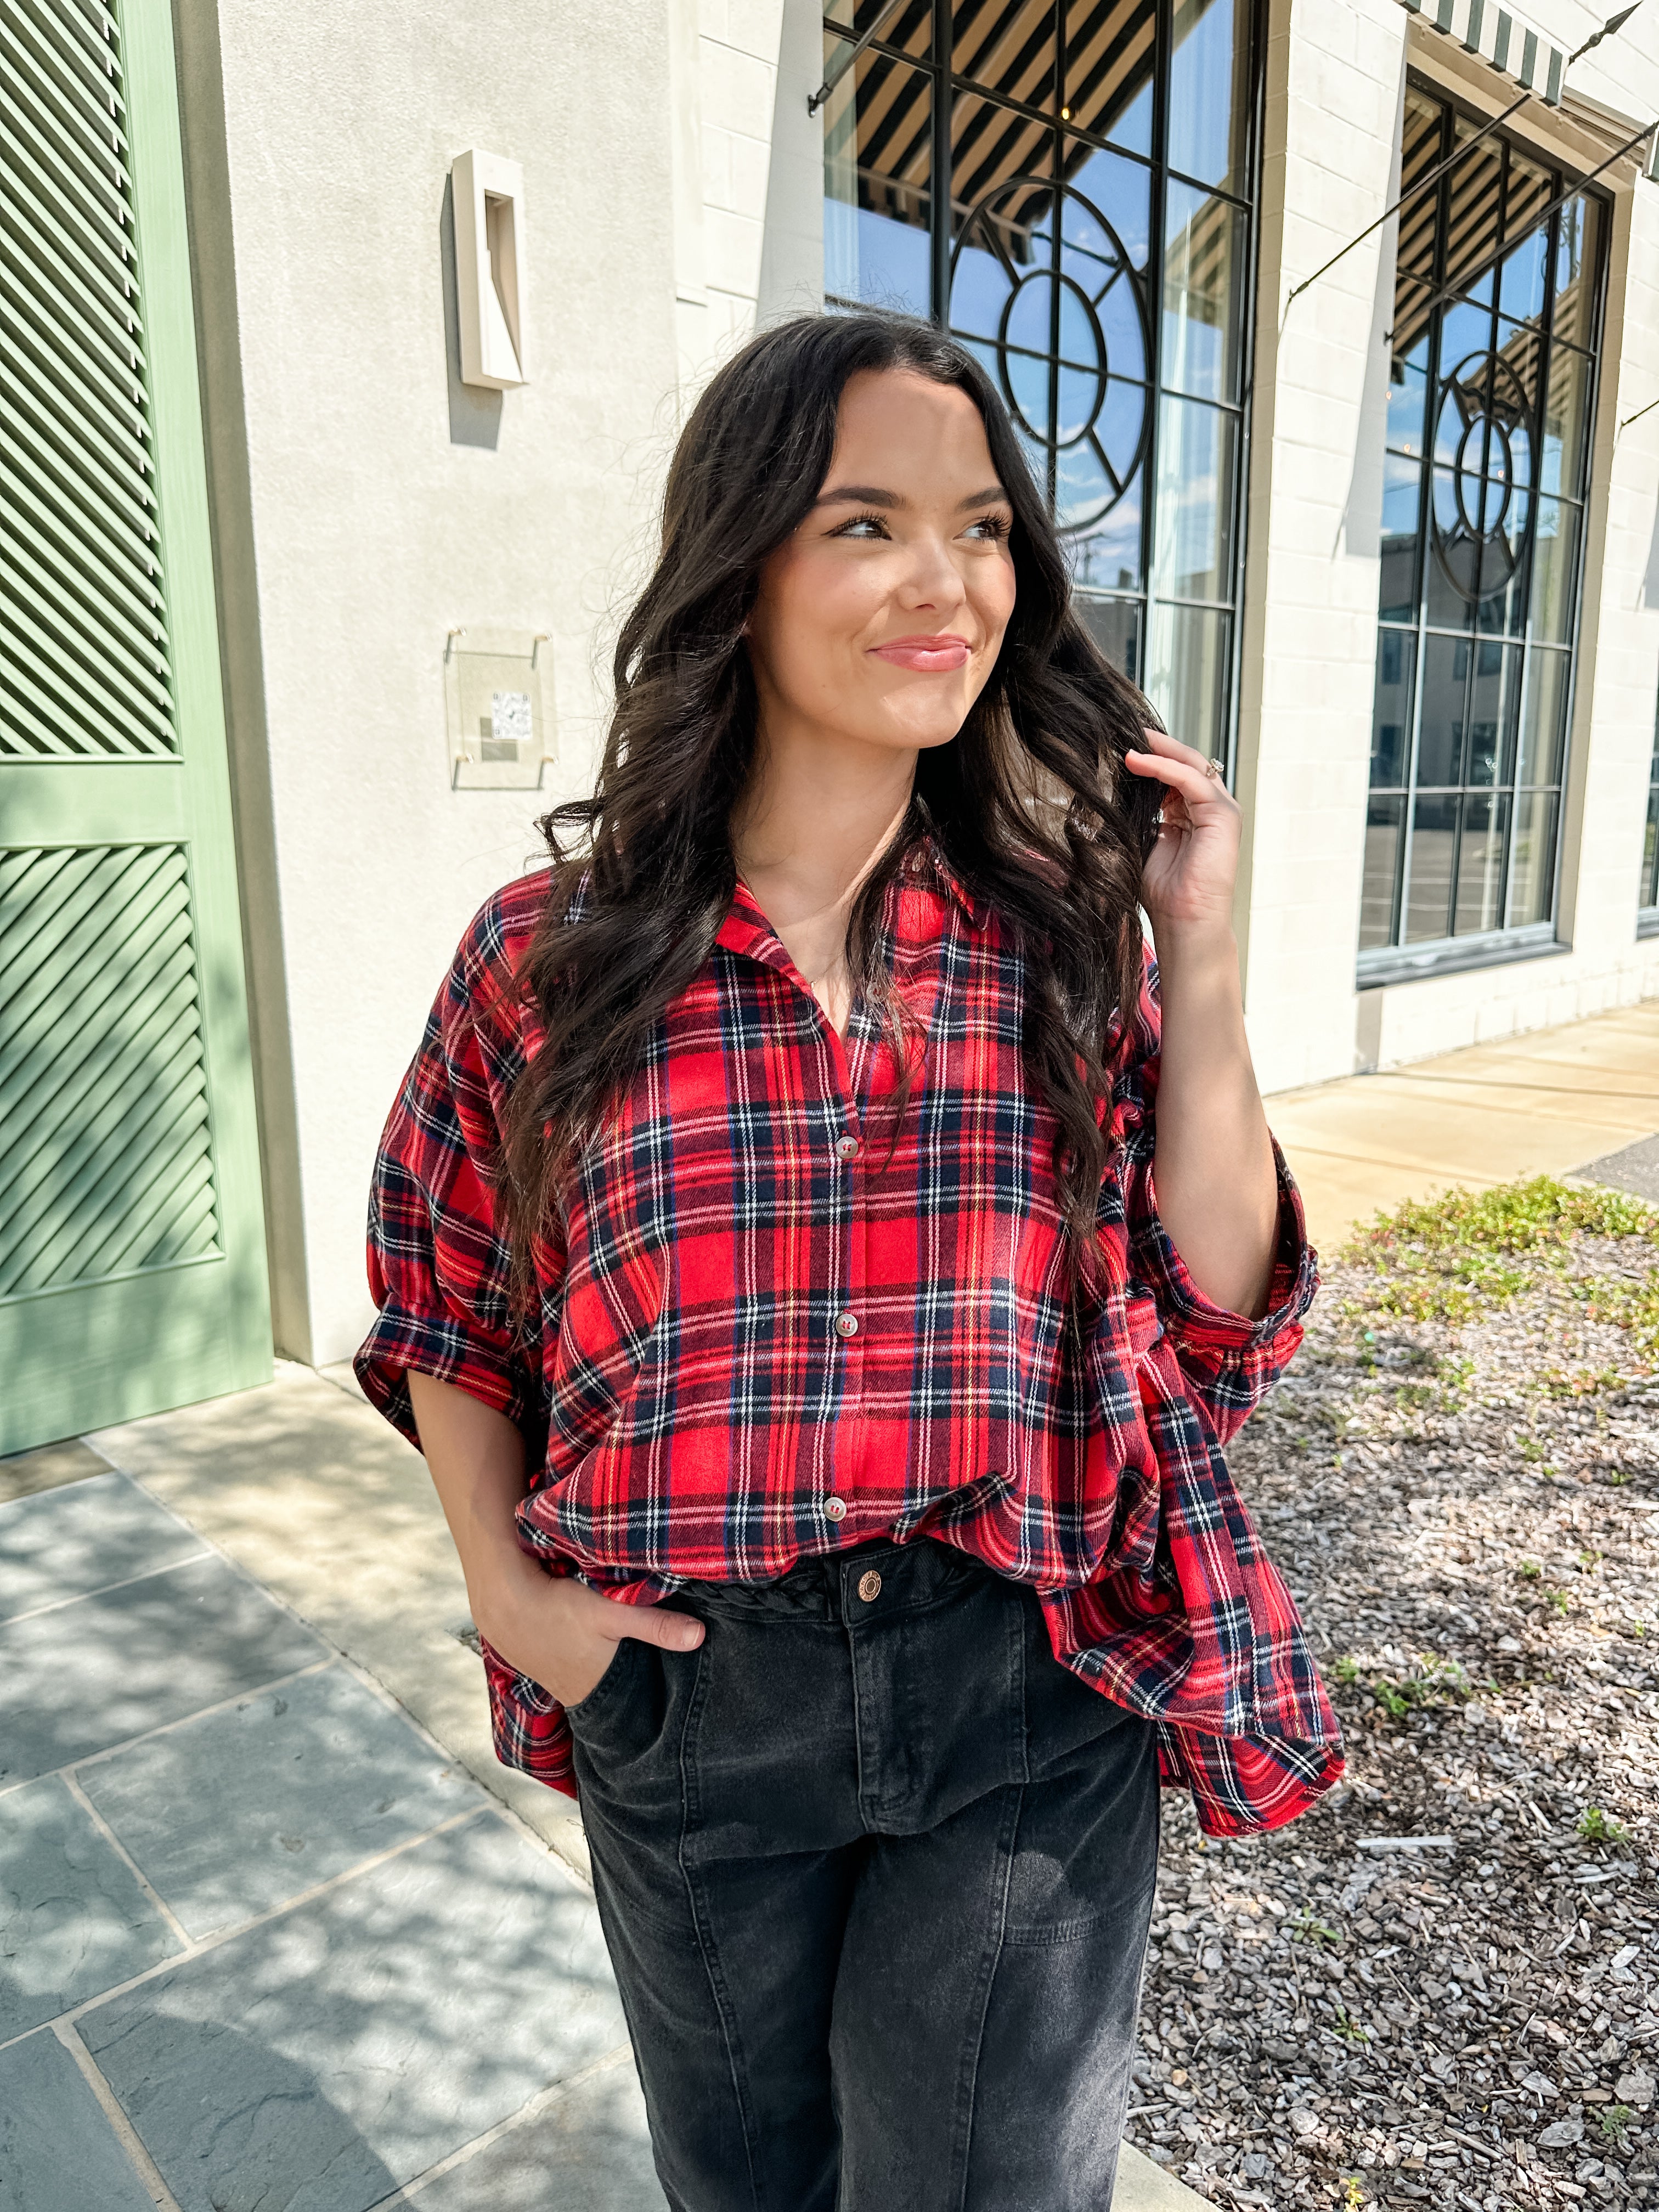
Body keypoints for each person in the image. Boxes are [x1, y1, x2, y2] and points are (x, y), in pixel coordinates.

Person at [355, 311, 1343, 2211]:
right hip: (695, 1687)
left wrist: (1196, 952)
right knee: (743, 2181)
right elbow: (448, 1302)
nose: (947, 582)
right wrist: (513, 1600)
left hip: (1016, 1675)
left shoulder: (1052, 941)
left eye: (980, 528)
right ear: (743, 574)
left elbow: (1225, 1307)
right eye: (867, 522)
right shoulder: (548, 961)